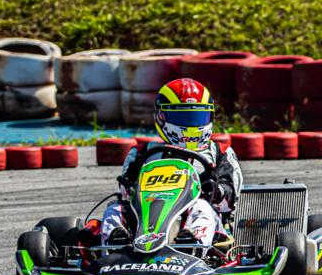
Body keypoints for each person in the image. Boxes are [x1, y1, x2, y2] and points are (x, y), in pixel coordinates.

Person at [100, 78, 243, 251]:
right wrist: (130, 188)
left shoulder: (221, 152)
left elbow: (230, 195)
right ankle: (116, 251)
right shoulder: (141, 152)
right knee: (114, 210)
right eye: (181, 117)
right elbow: (124, 191)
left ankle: (191, 246)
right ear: (161, 117)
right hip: (147, 213)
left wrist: (213, 190)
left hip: (204, 216)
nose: (191, 124)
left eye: (198, 116)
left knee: (201, 208)